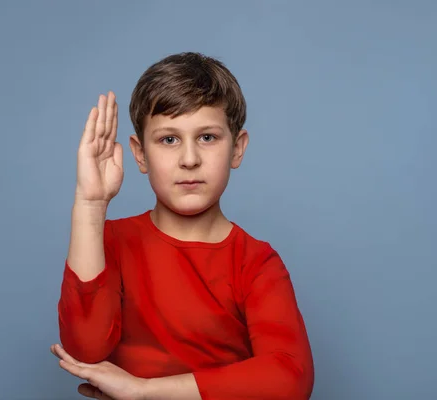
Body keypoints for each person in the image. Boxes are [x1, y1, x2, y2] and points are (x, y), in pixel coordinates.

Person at [50, 52, 314, 400]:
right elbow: (86, 349)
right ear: (140, 154)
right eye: (169, 140)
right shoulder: (110, 241)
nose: (189, 160)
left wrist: (145, 392)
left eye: (207, 137)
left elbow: (290, 378)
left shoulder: (256, 263)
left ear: (238, 149)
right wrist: (90, 204)